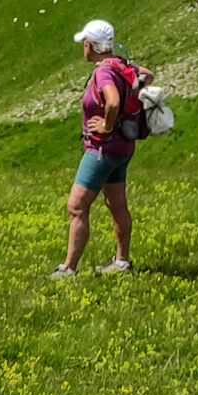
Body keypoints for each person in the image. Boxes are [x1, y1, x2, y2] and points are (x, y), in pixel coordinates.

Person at [52, 17, 146, 278]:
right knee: (116, 204)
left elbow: (112, 101)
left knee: (76, 206)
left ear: (91, 45)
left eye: (85, 42)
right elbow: (147, 75)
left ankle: (69, 269)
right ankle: (122, 263)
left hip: (101, 149)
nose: (83, 46)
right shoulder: (121, 64)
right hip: (123, 146)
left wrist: (106, 125)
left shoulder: (103, 72)